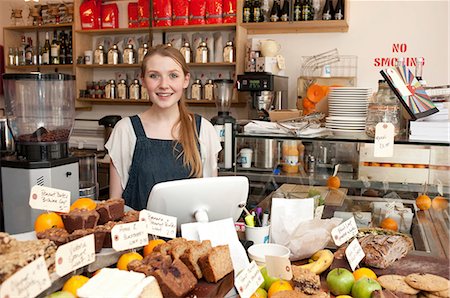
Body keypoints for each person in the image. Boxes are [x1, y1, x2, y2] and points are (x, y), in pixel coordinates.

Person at [105, 44, 222, 210]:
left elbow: (210, 200)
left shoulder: (204, 129)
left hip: (188, 235)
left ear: (186, 80)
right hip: (140, 234)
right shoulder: (125, 130)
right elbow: (114, 205)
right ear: (143, 81)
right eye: (154, 76)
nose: (164, 85)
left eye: (173, 75)